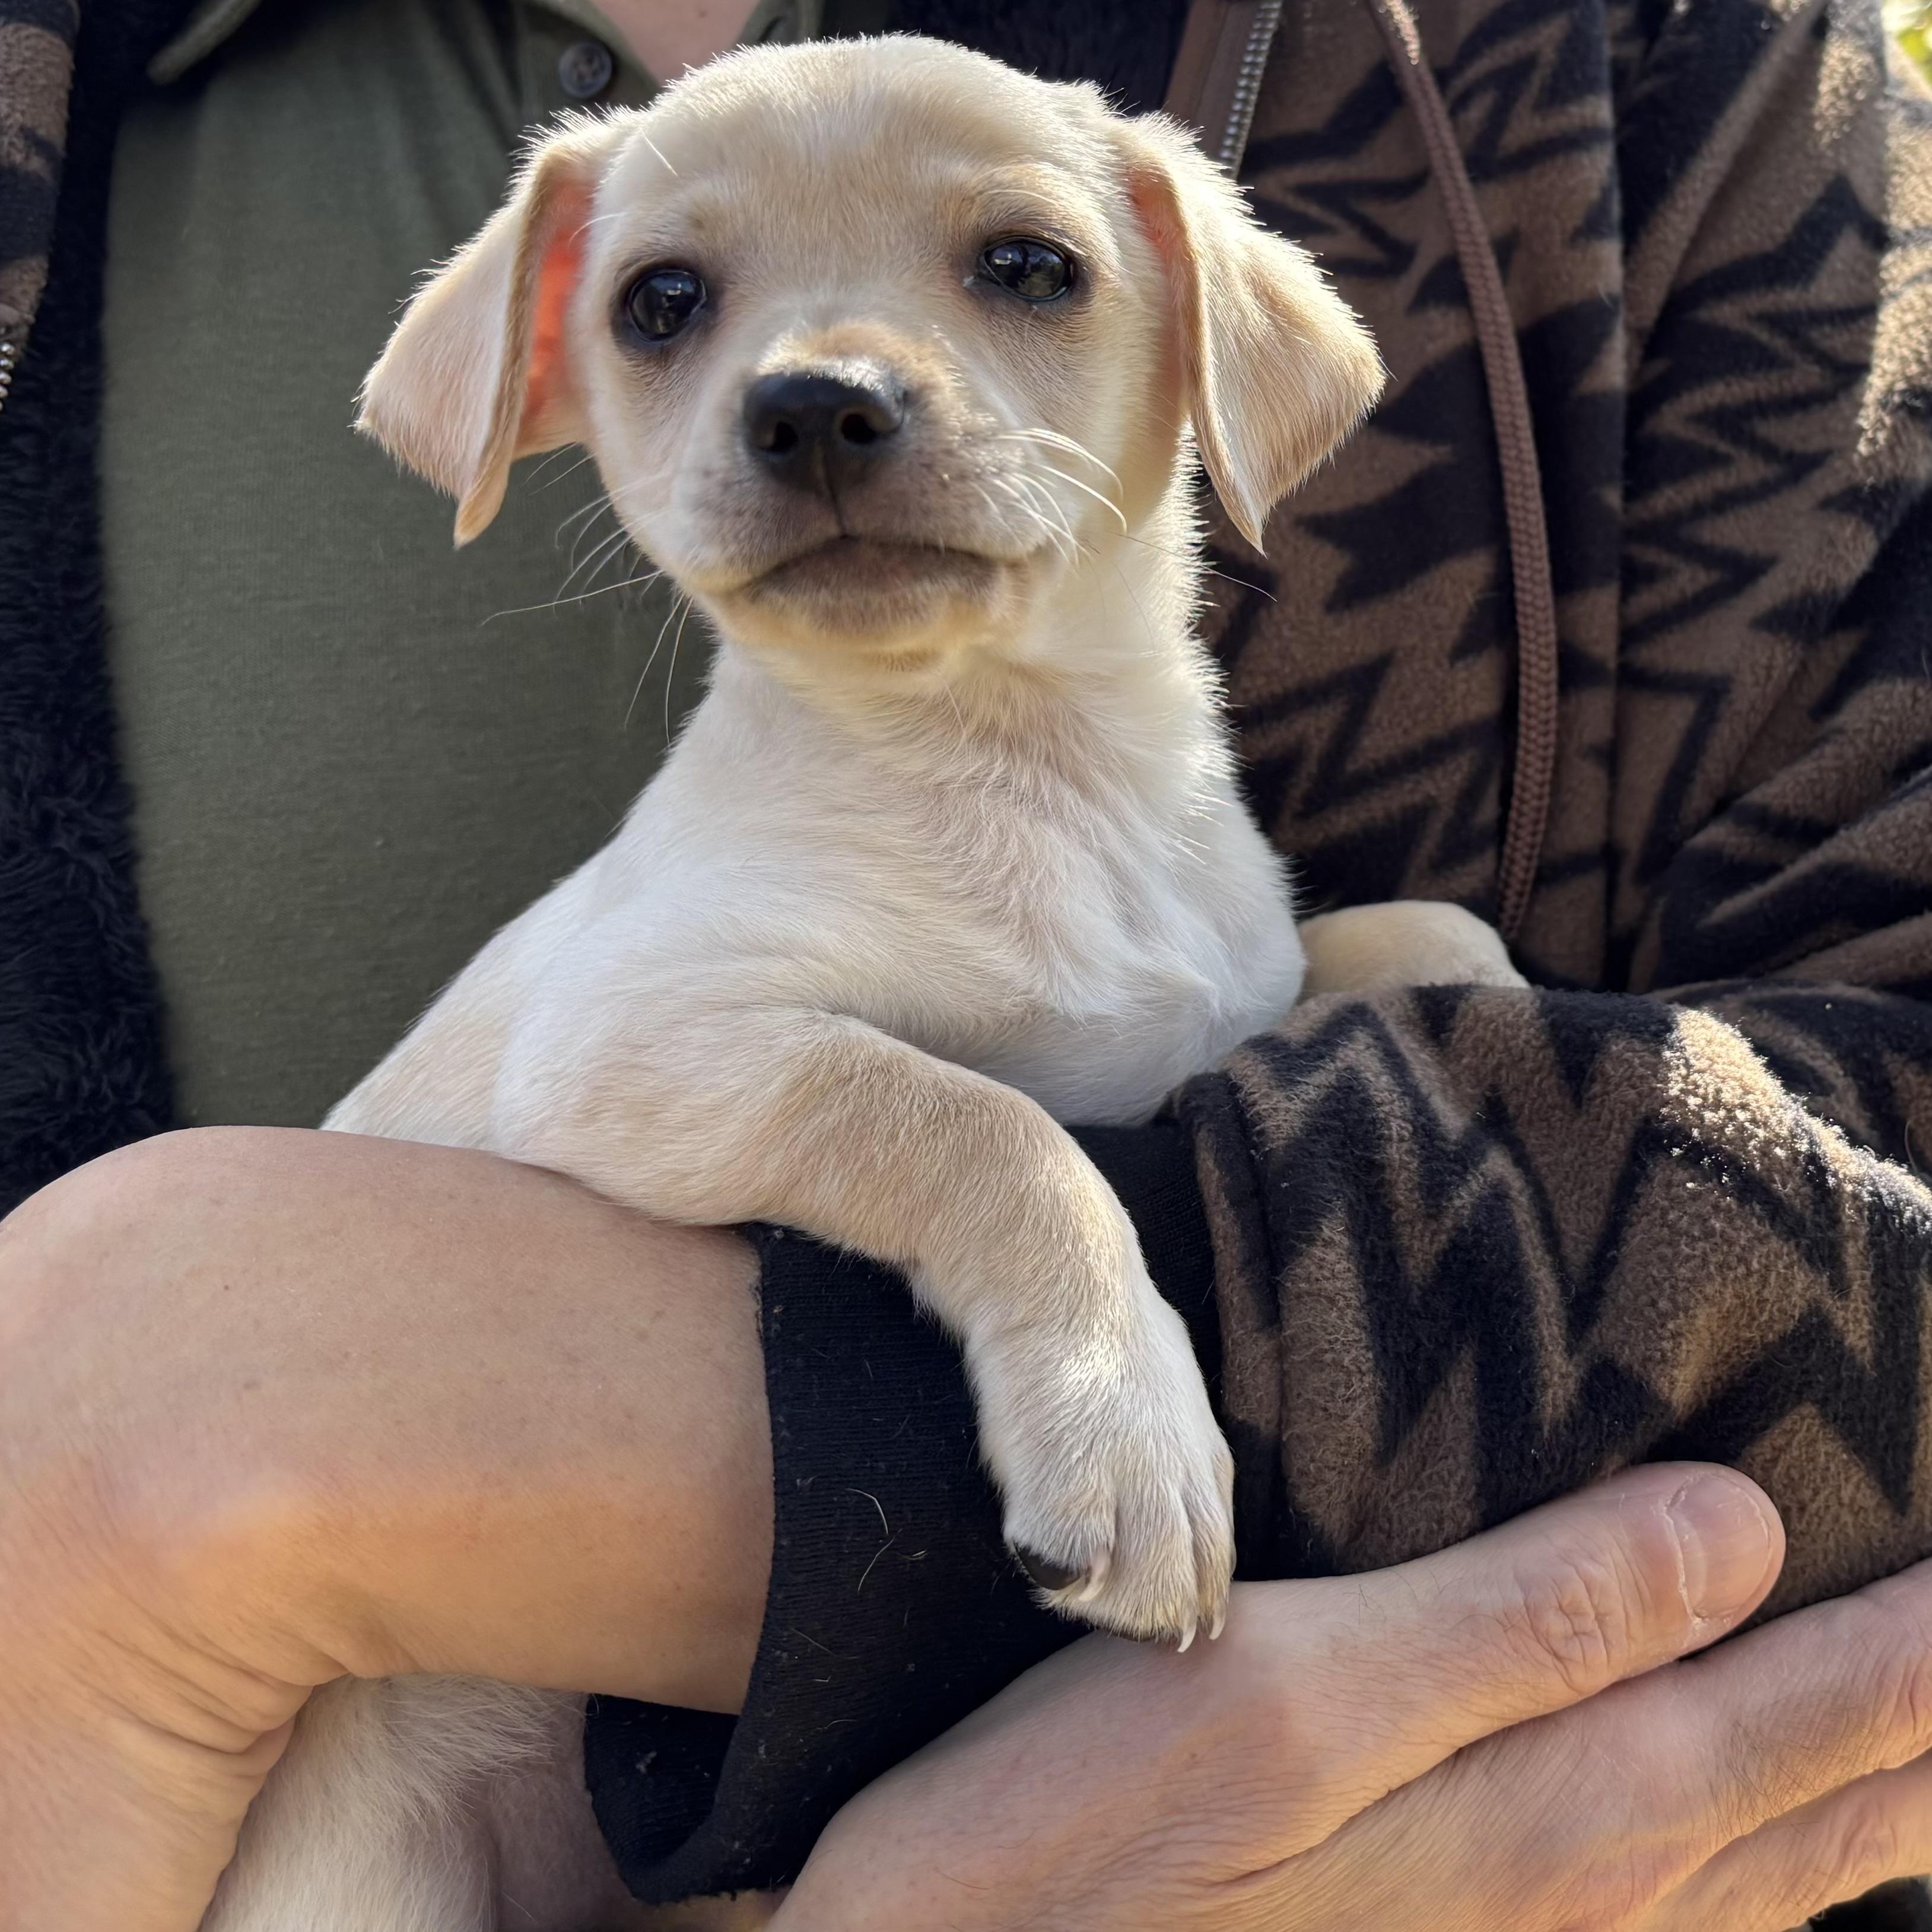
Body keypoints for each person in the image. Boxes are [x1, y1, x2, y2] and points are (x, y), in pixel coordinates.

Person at [2, 0, 1929, 1924]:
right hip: (386, 1821)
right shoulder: (771, 857)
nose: (820, 383)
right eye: (671, 309)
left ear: (1201, 346)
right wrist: (1031, 1241)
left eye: (1019, 268)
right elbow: (617, 1073)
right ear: (547, 375)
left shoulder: (1669, 76)